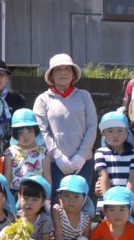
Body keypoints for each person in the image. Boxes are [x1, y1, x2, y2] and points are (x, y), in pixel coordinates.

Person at [33, 54, 98, 203]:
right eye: (58, 70)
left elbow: (92, 126)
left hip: (83, 162)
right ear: (51, 75)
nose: (63, 73)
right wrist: (58, 157)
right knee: (58, 204)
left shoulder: (84, 96)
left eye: (67, 69)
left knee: (81, 203)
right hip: (55, 164)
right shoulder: (43, 99)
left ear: (73, 73)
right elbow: (42, 131)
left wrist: (81, 156)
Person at [94, 112, 134, 215]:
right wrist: (108, 202)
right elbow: (103, 176)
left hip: (128, 201)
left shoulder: (133, 153)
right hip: (106, 201)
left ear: (127, 132)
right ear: (103, 133)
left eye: (120, 130)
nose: (115, 135)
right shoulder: (100, 153)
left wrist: (125, 201)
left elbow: (132, 178)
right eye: (110, 131)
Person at [4, 109, 52, 195]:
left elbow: (47, 176)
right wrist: (6, 195)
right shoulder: (10, 152)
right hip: (16, 193)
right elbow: (7, 176)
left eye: (30, 131)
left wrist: (48, 197)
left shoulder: (43, 152)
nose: (26, 137)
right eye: (21, 133)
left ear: (36, 131)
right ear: (14, 134)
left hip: (37, 193)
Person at [48, 175, 93, 240]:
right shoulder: (57, 210)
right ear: (60, 197)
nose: (71, 200)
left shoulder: (86, 218)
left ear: (85, 200)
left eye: (76, 196)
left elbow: (85, 237)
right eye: (67, 195)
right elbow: (58, 232)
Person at [15, 176, 54, 240]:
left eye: (34, 199)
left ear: (43, 202)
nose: (29, 203)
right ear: (19, 197)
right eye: (25, 198)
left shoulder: (45, 220)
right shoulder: (14, 217)